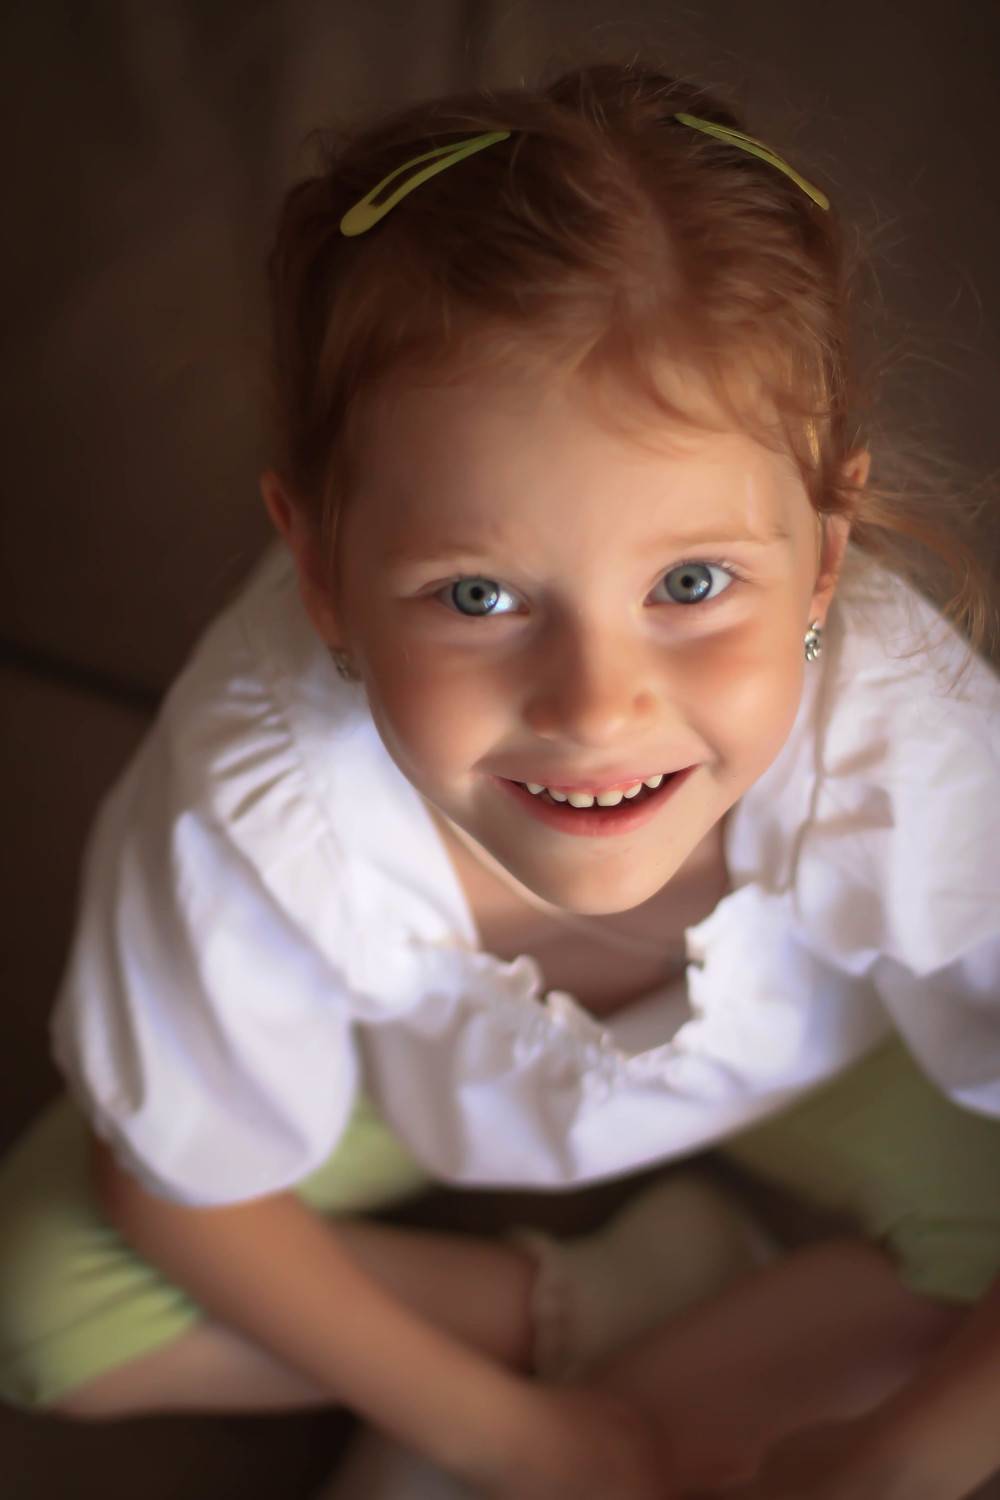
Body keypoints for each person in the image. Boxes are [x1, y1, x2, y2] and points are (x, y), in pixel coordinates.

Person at [1, 58, 999, 1500]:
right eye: (478, 597)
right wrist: (522, 1437)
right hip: (406, 1083)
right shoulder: (262, 794)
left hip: (830, 1060)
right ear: (323, 573)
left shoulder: (906, 743)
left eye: (692, 583)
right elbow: (175, 1190)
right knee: (41, 1311)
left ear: (827, 556)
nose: (596, 707)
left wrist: (900, 1459)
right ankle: (607, 1299)